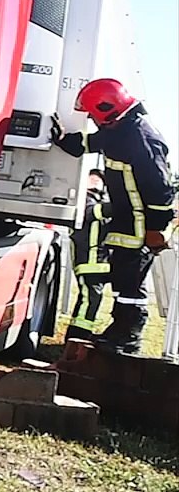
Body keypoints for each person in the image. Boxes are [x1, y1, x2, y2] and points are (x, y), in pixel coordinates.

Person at [51, 78, 175, 353]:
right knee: (122, 284)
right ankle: (118, 332)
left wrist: (157, 230)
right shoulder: (119, 131)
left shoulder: (141, 137)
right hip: (125, 225)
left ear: (106, 111)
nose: (92, 121)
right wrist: (61, 140)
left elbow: (162, 190)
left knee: (131, 286)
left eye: (93, 115)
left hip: (141, 230)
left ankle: (128, 339)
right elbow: (89, 143)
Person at [65, 169, 112, 342]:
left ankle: (82, 336)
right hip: (86, 262)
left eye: (98, 180)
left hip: (98, 263)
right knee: (89, 299)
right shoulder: (83, 199)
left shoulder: (100, 199)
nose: (95, 182)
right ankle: (76, 338)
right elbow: (93, 212)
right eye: (91, 179)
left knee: (93, 299)